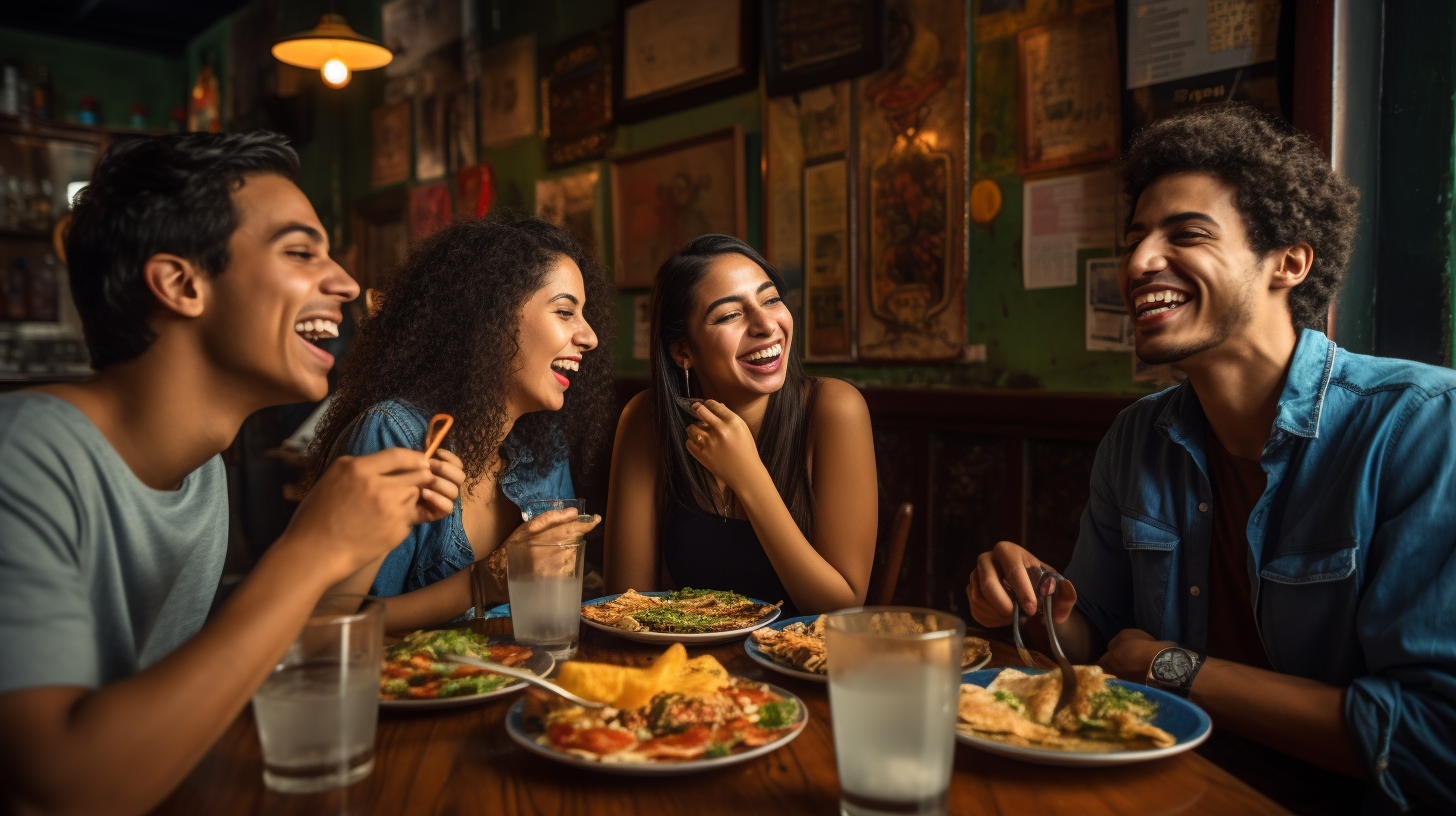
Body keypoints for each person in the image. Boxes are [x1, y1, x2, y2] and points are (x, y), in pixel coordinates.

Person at [965, 104, 1455, 815]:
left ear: (1289, 260)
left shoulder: (1420, 426)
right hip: (1157, 789)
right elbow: (1094, 642)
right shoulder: (1137, 437)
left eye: (1185, 235)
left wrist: (1173, 668)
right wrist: (1029, 601)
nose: (1136, 263)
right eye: (1133, 240)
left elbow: (1428, 739)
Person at [0, 132, 463, 815]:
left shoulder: (200, 470)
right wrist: (308, 550)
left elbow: (244, 663)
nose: (345, 283)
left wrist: (355, 540)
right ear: (182, 283)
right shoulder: (25, 455)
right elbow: (68, 785)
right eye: (302, 252)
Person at [304, 215, 613, 630]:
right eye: (564, 311)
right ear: (492, 316)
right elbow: (335, 623)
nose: (589, 336)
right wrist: (485, 582)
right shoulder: (395, 434)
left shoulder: (545, 445)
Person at [604, 235, 878, 616]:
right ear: (683, 351)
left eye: (770, 299)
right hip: (689, 666)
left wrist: (748, 475)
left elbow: (840, 607)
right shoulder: (646, 420)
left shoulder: (835, 410)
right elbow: (625, 605)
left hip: (799, 668)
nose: (767, 324)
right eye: (730, 315)